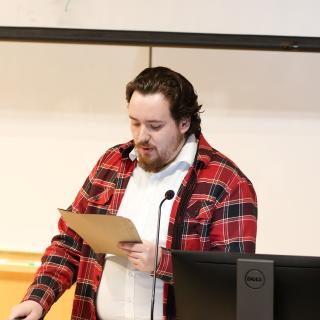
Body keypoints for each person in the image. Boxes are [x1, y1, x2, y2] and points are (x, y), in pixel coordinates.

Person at [8, 66, 257, 320]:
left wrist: (162, 263)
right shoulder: (112, 164)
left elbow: (234, 280)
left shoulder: (226, 183)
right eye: (134, 123)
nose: (141, 136)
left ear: (184, 123)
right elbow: (70, 244)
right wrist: (37, 299)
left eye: (155, 126)